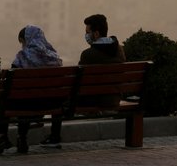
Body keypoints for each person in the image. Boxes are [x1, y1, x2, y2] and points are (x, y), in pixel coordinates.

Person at [40, 14, 125, 149]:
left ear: (96, 34)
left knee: (58, 99)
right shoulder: (119, 49)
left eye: (87, 32)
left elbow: (77, 82)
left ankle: (54, 138)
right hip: (113, 97)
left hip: (95, 99)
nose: (86, 35)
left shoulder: (88, 54)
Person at [0, 24, 63, 155]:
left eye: (22, 42)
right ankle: (21, 138)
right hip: (49, 103)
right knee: (23, 98)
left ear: (27, 40)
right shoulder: (54, 57)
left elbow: (9, 85)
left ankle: (2, 137)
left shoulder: (22, 57)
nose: (22, 45)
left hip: (26, 103)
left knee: (4, 100)